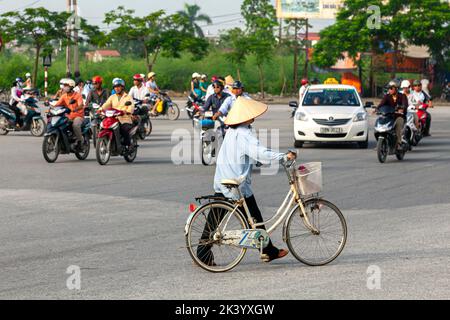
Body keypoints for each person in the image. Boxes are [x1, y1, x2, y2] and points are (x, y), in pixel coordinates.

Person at [196, 97, 296, 266]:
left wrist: (257, 159)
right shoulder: (245, 134)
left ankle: (202, 251)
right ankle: (268, 251)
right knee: (254, 218)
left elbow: (249, 154)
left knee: (215, 219)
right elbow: (260, 153)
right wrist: (283, 157)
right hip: (237, 184)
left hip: (223, 179)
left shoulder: (233, 132)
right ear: (246, 117)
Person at [99, 78, 135, 148]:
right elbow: (106, 104)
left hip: (124, 118)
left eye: (119, 86)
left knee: (124, 129)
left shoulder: (128, 97)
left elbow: (131, 106)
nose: (117, 88)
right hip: (113, 118)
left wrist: (127, 111)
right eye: (115, 87)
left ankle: (128, 145)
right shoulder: (112, 97)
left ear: (122, 87)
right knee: (103, 125)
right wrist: (100, 109)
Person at [376, 80, 408, 150]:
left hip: (399, 116)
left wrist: (402, 108)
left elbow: (405, 104)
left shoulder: (402, 96)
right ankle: (380, 143)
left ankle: (399, 143)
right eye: (388, 88)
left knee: (398, 126)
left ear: (396, 88)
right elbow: (381, 104)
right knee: (379, 122)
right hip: (389, 116)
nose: (389, 90)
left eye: (391, 88)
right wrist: (376, 109)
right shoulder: (387, 96)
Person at [54, 78, 85, 150]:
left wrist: (75, 109)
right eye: (64, 85)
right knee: (60, 123)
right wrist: (50, 106)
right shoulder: (64, 96)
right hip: (68, 116)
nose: (64, 87)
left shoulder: (77, 95)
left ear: (71, 87)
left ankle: (80, 141)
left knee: (76, 125)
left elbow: (81, 105)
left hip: (78, 115)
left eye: (66, 86)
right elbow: (57, 104)